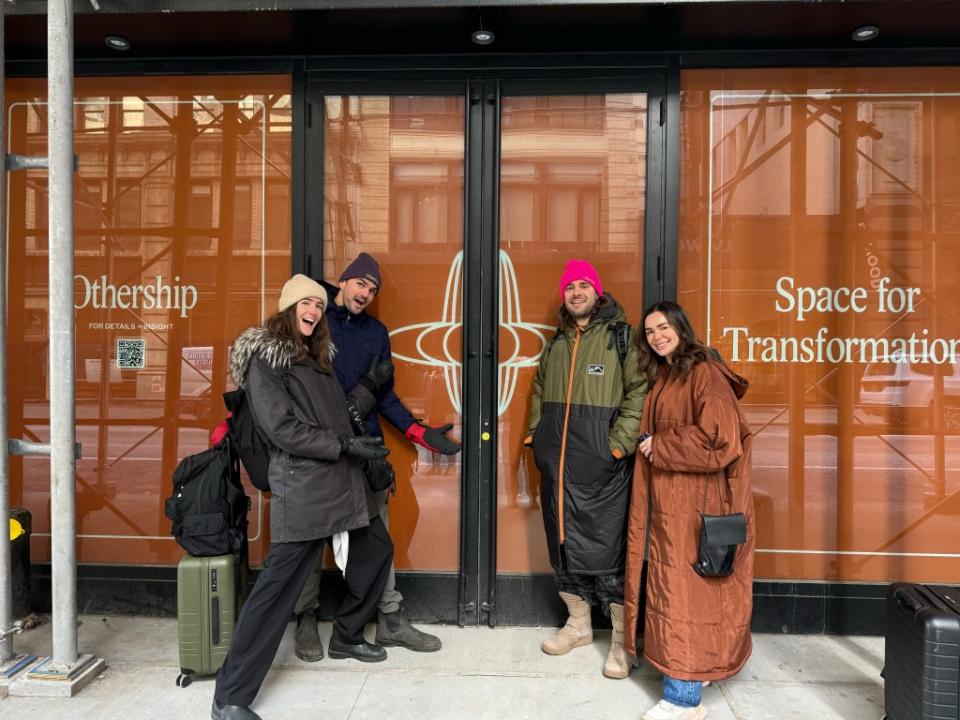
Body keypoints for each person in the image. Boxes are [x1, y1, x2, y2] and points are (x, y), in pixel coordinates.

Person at [211, 275, 396, 720]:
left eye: (317, 303)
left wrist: (364, 449)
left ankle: (348, 635)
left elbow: (335, 417)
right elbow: (282, 430)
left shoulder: (316, 360)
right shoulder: (267, 360)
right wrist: (345, 447)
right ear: (287, 309)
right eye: (304, 303)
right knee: (276, 591)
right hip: (307, 485)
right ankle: (230, 697)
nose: (312, 310)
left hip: (343, 483)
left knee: (376, 550)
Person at [292, 252, 461, 662]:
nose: (365, 293)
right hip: (320, 450)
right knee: (312, 538)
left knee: (377, 539)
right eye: (360, 284)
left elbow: (384, 395)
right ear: (344, 282)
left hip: (366, 452)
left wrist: (419, 432)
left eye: (372, 289)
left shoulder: (377, 332)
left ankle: (390, 618)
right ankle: (305, 618)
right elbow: (294, 386)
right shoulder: (315, 323)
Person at [623, 301, 755, 720]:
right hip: (677, 505)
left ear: (681, 328)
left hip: (694, 507)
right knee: (684, 594)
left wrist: (658, 445)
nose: (656, 336)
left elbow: (720, 439)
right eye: (649, 332)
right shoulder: (672, 374)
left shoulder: (704, 373)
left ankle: (683, 700)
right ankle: (692, 676)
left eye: (663, 327)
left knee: (685, 597)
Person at [524, 258, 647, 679]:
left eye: (583, 285)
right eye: (570, 287)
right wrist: (536, 435)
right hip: (557, 468)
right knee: (563, 546)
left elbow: (639, 392)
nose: (576, 292)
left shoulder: (620, 338)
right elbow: (540, 388)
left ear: (597, 291)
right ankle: (577, 626)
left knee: (607, 554)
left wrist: (616, 447)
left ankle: (620, 641)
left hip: (602, 470)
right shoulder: (557, 341)